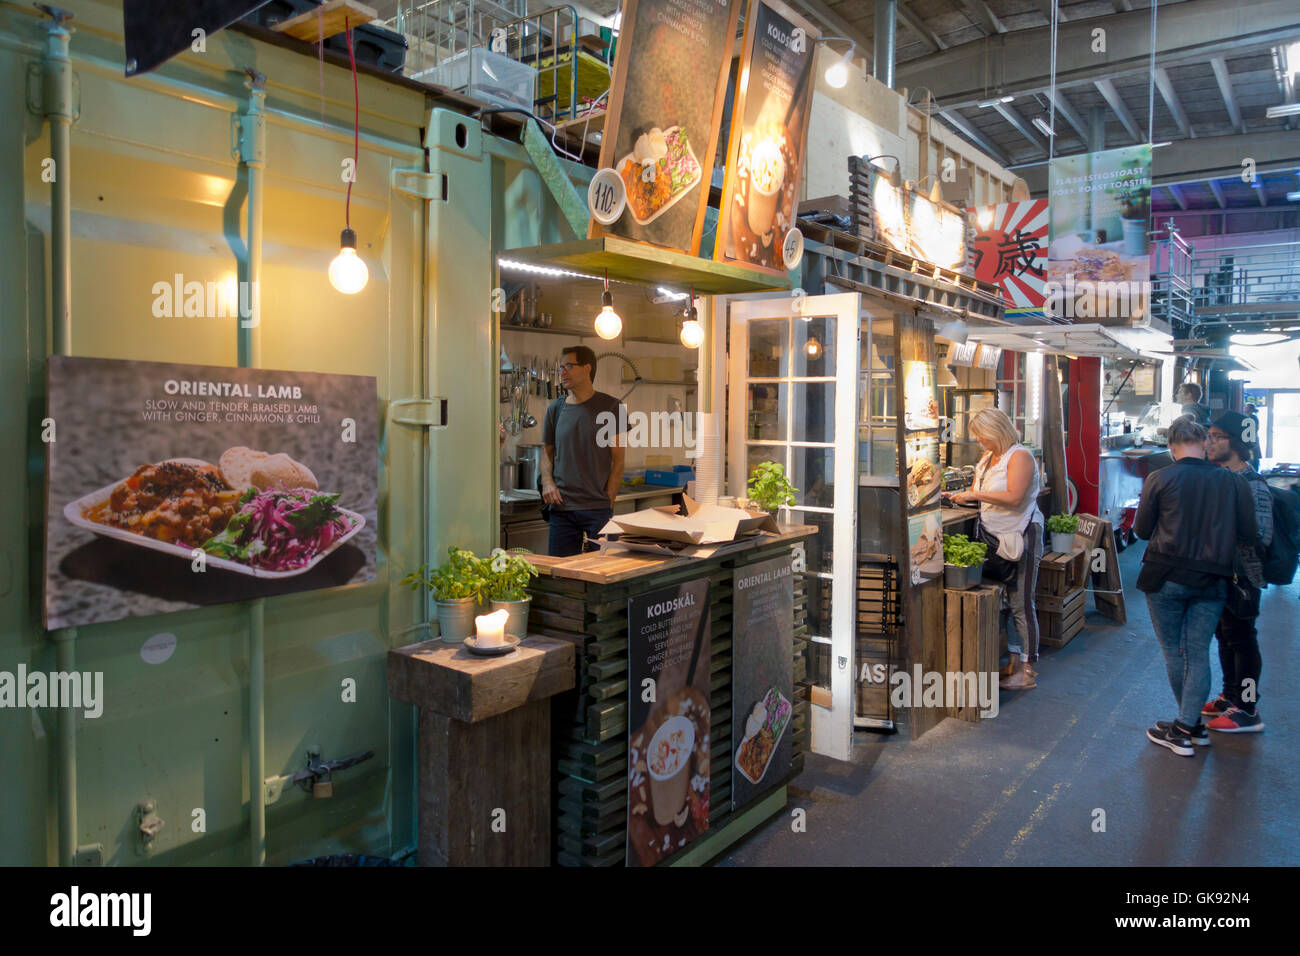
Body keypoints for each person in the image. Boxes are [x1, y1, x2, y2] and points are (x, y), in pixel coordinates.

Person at [1134, 419, 1258, 756]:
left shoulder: (1160, 478)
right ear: (1204, 443)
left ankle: (1183, 730)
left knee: (1174, 651)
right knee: (1198, 652)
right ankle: (1192, 725)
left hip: (1165, 577)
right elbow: (1249, 532)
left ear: (1172, 446)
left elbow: (1142, 531)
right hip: (1213, 579)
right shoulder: (1233, 483)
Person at [949, 408, 1043, 690]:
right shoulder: (988, 459)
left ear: (997, 432)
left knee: (1021, 602)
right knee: (1005, 601)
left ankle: (1027, 672)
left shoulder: (1021, 457)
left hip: (1021, 536)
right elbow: (987, 499)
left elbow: (1014, 498)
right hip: (994, 538)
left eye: (982, 435)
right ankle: (1012, 663)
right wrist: (961, 497)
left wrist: (975, 494)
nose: (979, 440)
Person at [1204, 413, 1272, 733]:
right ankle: (1230, 695)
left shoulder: (1252, 482)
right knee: (1225, 636)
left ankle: (1247, 708)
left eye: (1218, 436)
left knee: (1243, 641)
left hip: (1243, 576)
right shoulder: (1221, 477)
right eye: (1210, 436)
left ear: (1236, 442)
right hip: (1221, 572)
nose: (1211, 442)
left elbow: (1263, 534)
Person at [541, 346, 625, 556]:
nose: (562, 372)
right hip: (562, 509)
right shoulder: (555, 409)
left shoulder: (612, 407)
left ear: (587, 369)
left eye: (569, 366)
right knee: (560, 574)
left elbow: (618, 461)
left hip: (597, 509)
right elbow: (547, 453)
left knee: (605, 573)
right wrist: (547, 482)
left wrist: (608, 501)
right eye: (561, 367)